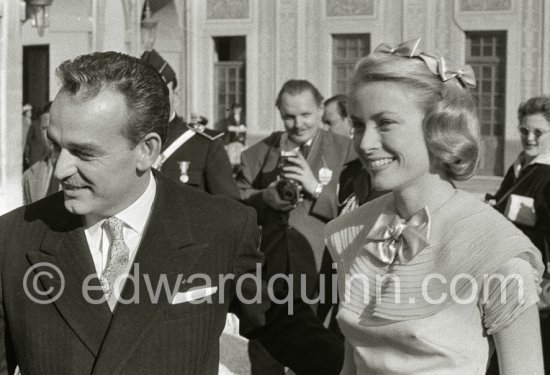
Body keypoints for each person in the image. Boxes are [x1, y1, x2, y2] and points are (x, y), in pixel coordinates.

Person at [0, 52, 343, 375]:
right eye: (56, 145)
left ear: (146, 151)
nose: (60, 170)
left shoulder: (217, 227)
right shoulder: (14, 239)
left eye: (83, 153)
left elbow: (282, 323)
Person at [324, 39, 545, 374]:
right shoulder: (355, 230)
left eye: (385, 123)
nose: (365, 144)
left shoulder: (496, 250)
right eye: (358, 125)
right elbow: (350, 364)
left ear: (438, 128)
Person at [237, 79, 354, 374]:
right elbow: (235, 201)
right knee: (266, 355)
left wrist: (317, 190)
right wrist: (265, 198)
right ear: (279, 113)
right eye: (289, 116)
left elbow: (361, 212)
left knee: (320, 354)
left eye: (306, 115)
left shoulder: (346, 152)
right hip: (271, 274)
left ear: (320, 110)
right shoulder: (259, 153)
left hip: (321, 272)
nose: (298, 124)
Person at [487, 96, 550, 374]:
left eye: (538, 132)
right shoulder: (520, 166)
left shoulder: (547, 176)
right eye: (524, 130)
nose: (530, 138)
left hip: (537, 285)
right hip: (507, 277)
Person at [140, 49, 239, 199]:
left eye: (160, 93)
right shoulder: (126, 142)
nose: (151, 101)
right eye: (143, 94)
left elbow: (231, 210)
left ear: (176, 96)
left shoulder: (205, 145)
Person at [22, 101, 59, 204]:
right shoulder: (29, 176)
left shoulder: (82, 170)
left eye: (53, 127)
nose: (48, 135)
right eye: (44, 128)